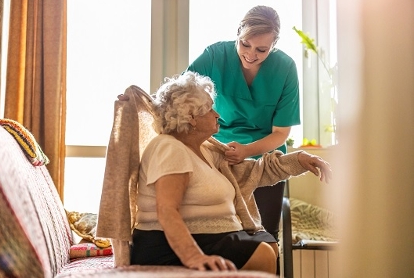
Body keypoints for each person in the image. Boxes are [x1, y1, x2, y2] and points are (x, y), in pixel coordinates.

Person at [129, 71, 331, 274]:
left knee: (267, 245)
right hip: (165, 244)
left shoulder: (208, 151)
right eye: (209, 109)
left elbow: (256, 171)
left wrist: (300, 160)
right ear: (191, 117)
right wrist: (193, 256)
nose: (217, 115)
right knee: (262, 254)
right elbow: (167, 210)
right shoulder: (169, 147)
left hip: (211, 236)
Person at [186, 5, 301, 242]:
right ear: (238, 32)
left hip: (266, 158)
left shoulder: (286, 68)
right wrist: (139, 101)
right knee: (219, 235)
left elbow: (280, 133)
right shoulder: (215, 56)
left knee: (266, 236)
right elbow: (179, 95)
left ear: (274, 44)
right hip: (218, 153)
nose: (250, 54)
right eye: (244, 44)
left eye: (262, 49)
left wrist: (248, 151)